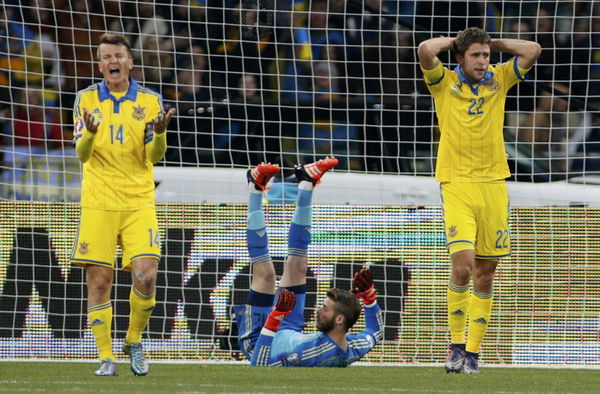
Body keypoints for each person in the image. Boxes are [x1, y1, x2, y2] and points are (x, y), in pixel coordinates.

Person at [417, 27, 541, 373]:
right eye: (476, 55)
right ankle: (454, 345)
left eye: (486, 55)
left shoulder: (498, 79)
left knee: (485, 276)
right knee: (463, 266)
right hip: (456, 183)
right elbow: (426, 48)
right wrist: (459, 41)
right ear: (460, 58)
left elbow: (532, 49)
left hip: (494, 185)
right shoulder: (443, 82)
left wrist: (491, 43)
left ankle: (473, 352)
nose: (483, 61)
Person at [71, 33, 175, 377]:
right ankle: (105, 356)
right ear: (100, 64)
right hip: (99, 202)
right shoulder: (85, 100)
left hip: (137, 200)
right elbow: (82, 155)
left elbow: (153, 157)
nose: (111, 62)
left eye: (117, 55)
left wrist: (159, 133)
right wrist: (88, 132)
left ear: (130, 62)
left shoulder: (150, 101)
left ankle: (133, 340)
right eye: (104, 57)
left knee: (146, 276)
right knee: (99, 281)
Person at [234, 156, 383, 367]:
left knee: (266, 275)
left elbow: (260, 366)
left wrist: (275, 318)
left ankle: (255, 187)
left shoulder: (309, 354)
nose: (317, 311)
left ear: (339, 320)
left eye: (324, 308)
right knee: (299, 266)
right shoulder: (353, 345)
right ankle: (306, 182)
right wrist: (369, 298)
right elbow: (375, 331)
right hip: (290, 327)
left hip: (259, 340)